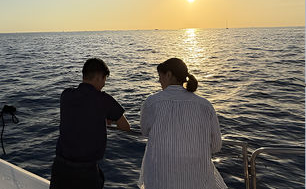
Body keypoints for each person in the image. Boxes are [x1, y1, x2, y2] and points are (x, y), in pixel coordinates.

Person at [139, 58, 227, 189]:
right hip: (198, 181)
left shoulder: (152, 102)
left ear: (169, 75)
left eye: (160, 76)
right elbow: (216, 146)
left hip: (159, 180)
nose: (159, 80)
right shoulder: (205, 105)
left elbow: (145, 131)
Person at [50, 58, 130, 189]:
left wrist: (98, 118)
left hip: (60, 168)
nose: (104, 84)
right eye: (105, 79)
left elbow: (80, 113)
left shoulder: (66, 95)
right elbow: (125, 127)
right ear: (99, 77)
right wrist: (104, 121)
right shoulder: (104, 100)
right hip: (85, 172)